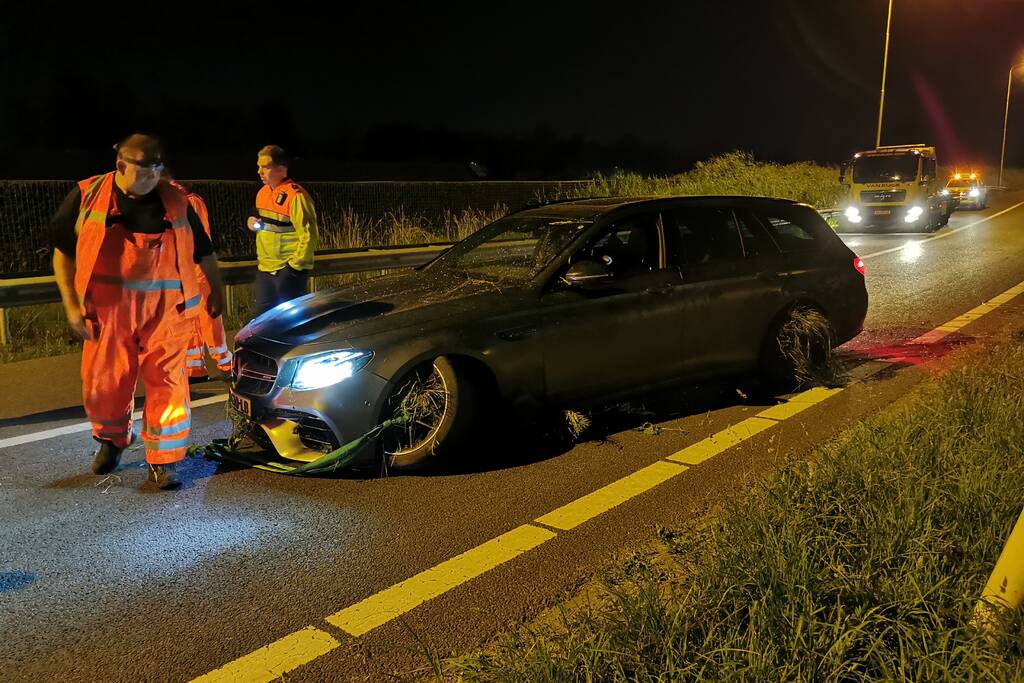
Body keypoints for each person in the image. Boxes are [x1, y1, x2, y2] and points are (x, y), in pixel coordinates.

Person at [49, 134, 225, 490]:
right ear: (121, 166)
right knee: (106, 386)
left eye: (157, 171)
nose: (152, 180)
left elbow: (204, 253)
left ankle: (165, 460)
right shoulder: (87, 195)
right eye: (144, 173)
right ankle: (112, 441)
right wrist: (71, 305)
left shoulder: (175, 201)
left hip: (166, 313)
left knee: (169, 385)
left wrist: (216, 292)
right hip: (108, 314)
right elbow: (63, 252)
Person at [168, 179, 234, 383]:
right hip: (184, 275)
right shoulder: (175, 204)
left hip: (198, 273)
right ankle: (196, 369)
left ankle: (226, 364)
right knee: (189, 322)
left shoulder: (191, 202)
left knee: (209, 322)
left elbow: (195, 239)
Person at [247, 145, 318, 316]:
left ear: (281, 169)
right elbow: (267, 224)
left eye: (265, 167)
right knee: (263, 321)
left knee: (291, 321)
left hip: (288, 270)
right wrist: (252, 222)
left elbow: (309, 235)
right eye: (258, 166)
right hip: (265, 268)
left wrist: (293, 267)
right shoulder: (262, 193)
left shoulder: (296, 196)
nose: (259, 171)